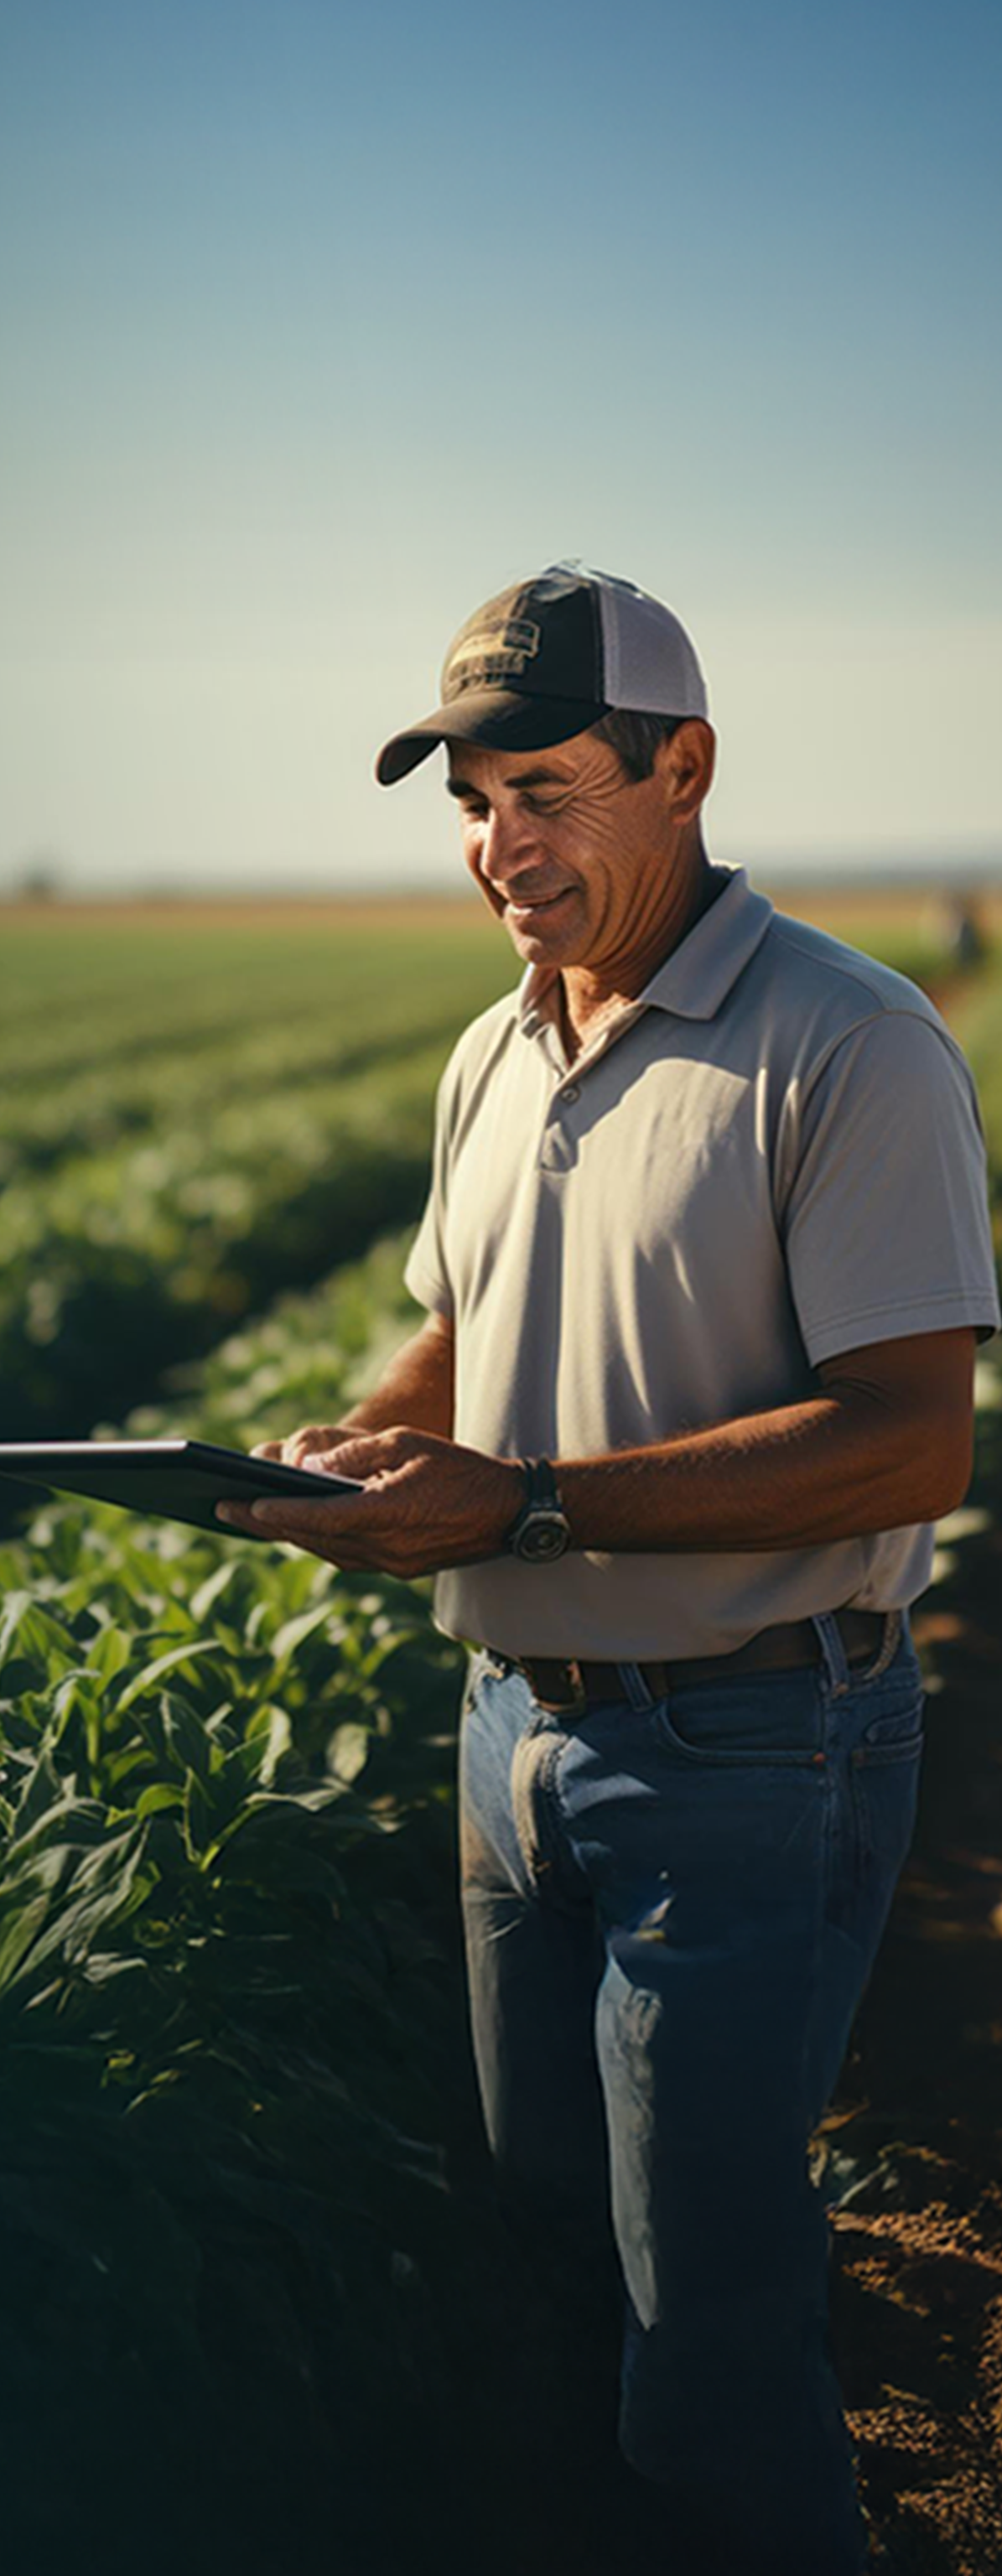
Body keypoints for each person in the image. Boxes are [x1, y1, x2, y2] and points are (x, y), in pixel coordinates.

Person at [215, 562, 1000, 2575]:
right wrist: (365, 1448)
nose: (502, 850)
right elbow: (461, 1335)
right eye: (473, 804)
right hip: (514, 1749)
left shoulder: (850, 1042)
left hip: (750, 1751)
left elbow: (912, 1435)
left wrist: (526, 1508)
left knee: (710, 2332)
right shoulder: (501, 1051)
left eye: (548, 791)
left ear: (687, 771)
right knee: (558, 2255)